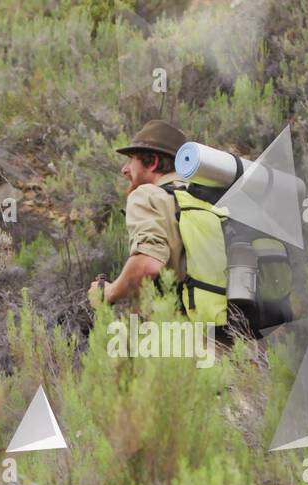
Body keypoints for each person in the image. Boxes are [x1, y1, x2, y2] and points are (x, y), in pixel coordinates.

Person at [89, 120, 231, 335]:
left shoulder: (147, 195)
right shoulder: (208, 199)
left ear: (153, 162)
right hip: (232, 337)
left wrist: (107, 293)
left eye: (131, 160)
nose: (124, 169)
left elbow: (148, 265)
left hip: (180, 343)